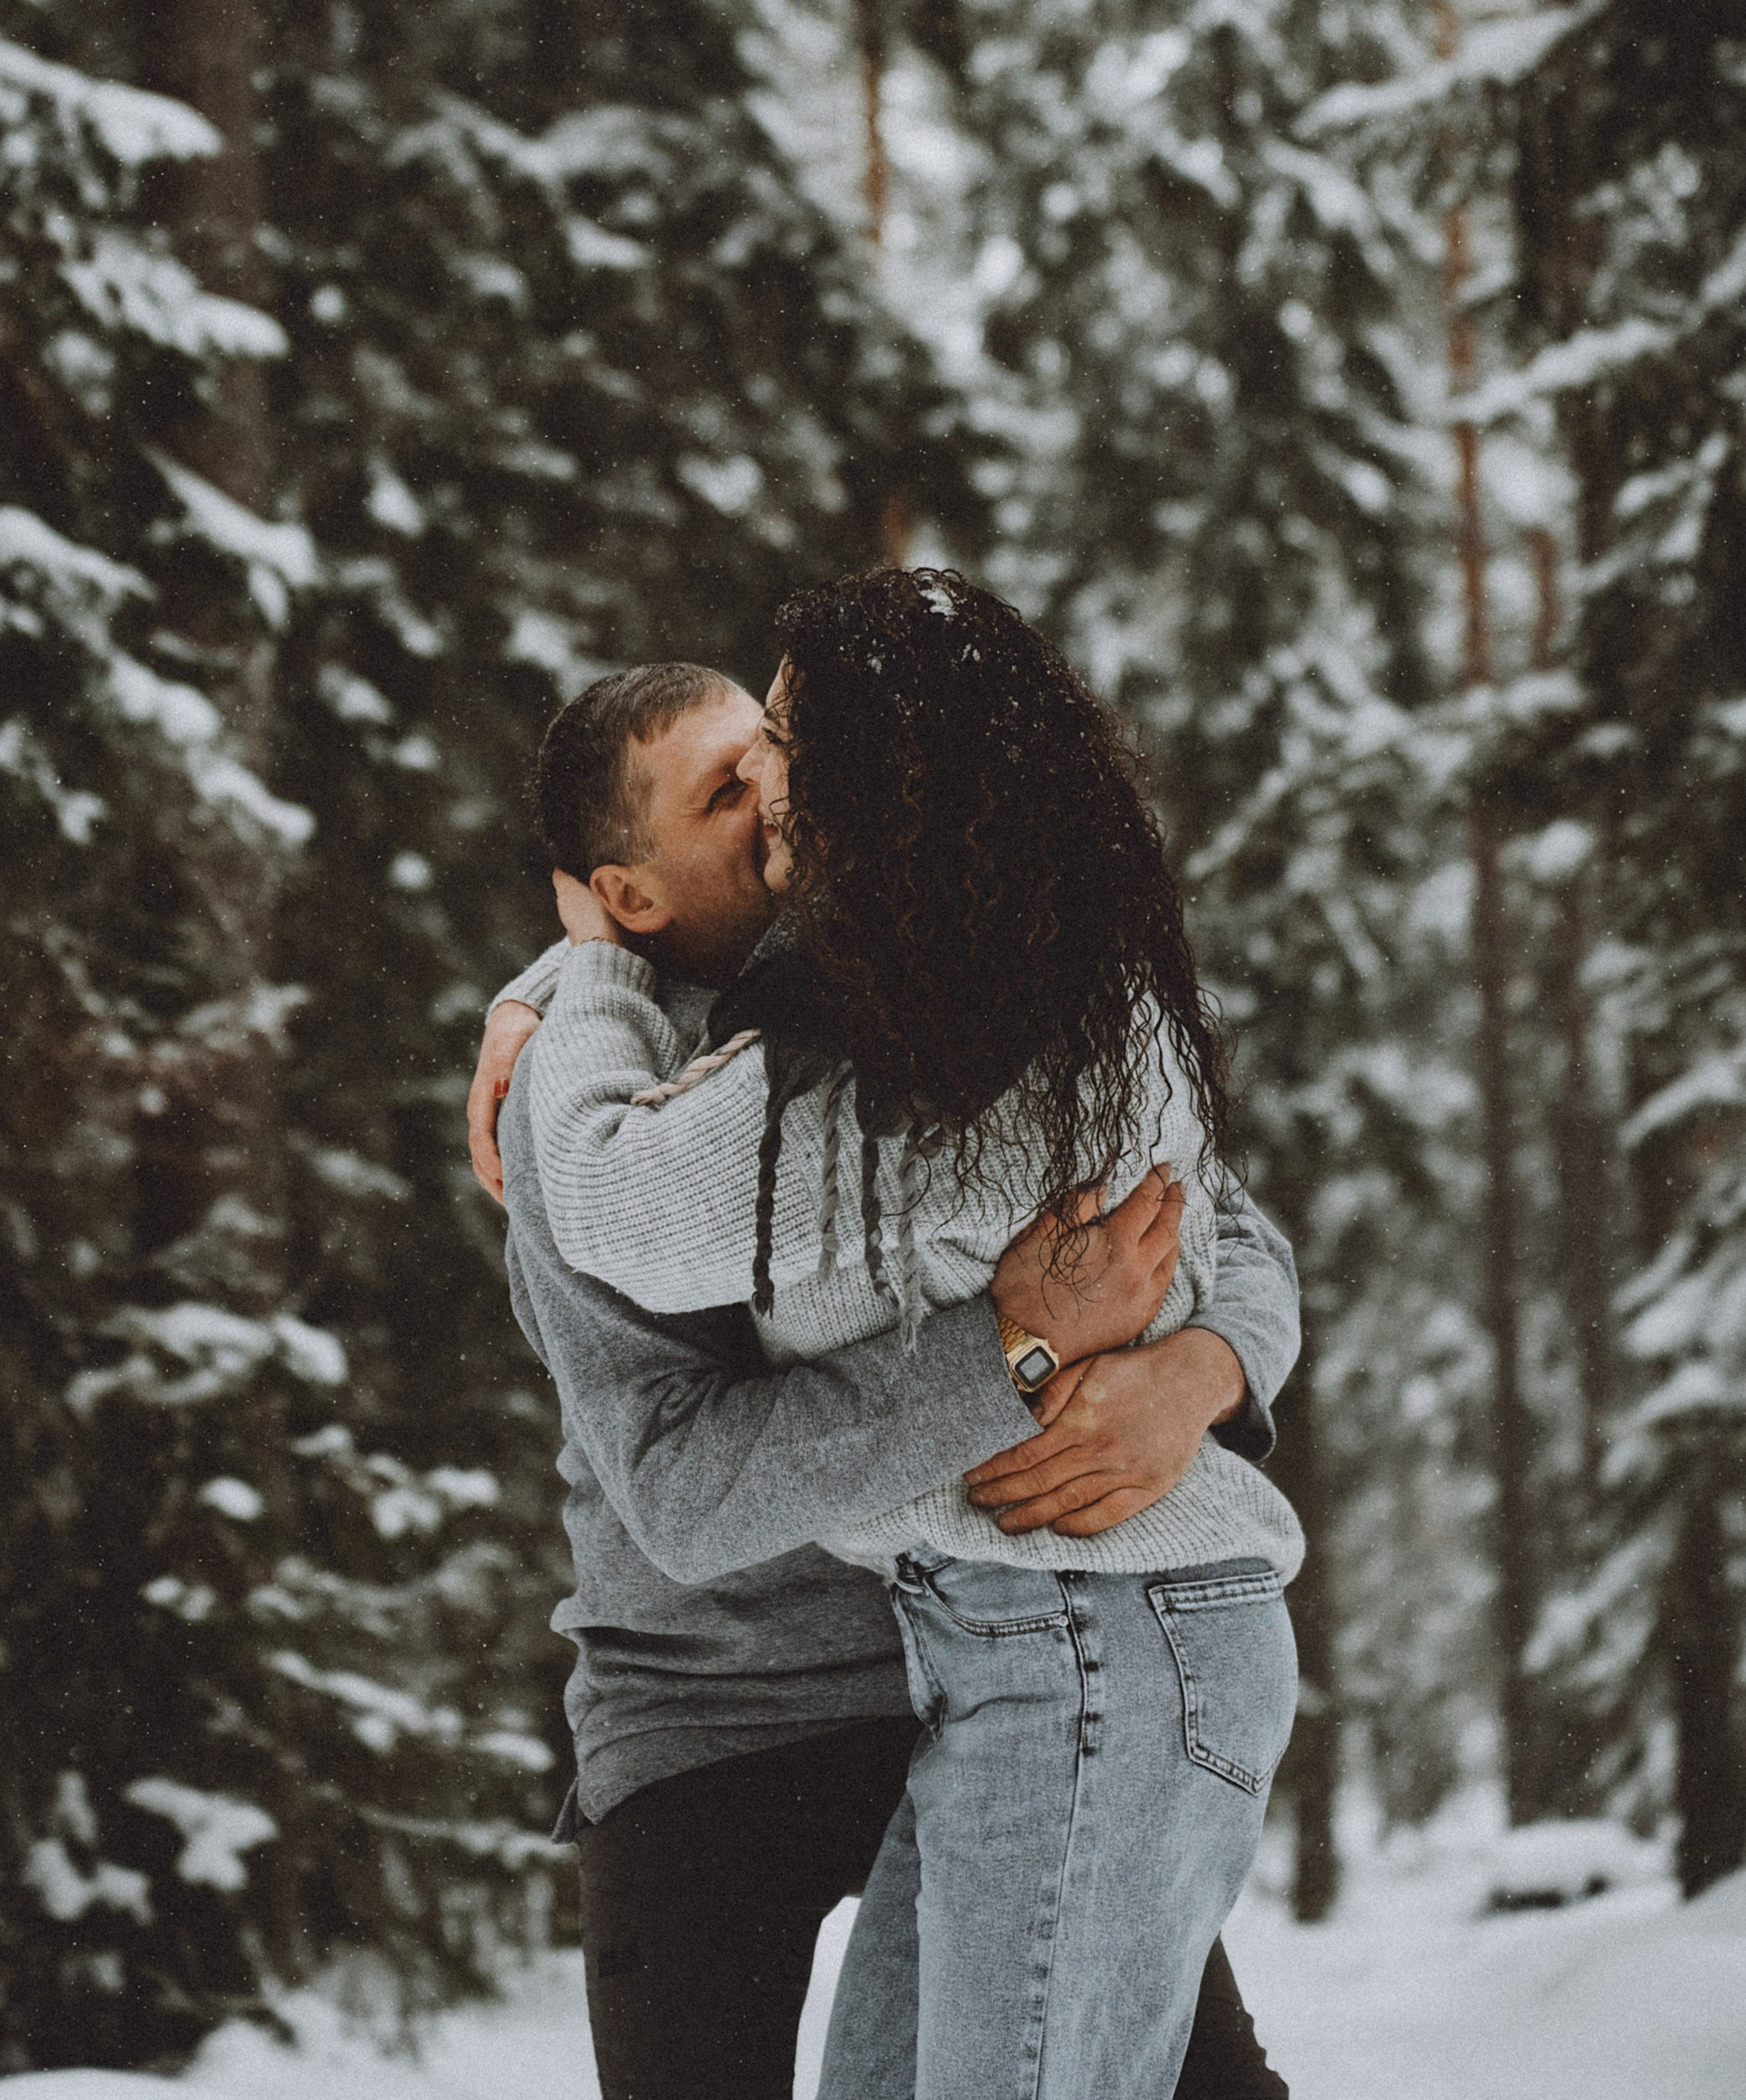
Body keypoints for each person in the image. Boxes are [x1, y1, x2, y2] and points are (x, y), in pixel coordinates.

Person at [468, 652, 1296, 2100]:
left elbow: (1213, 1207)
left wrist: (1208, 1368)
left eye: (768, 750)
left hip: (988, 1654)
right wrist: (1016, 1352)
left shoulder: (917, 965)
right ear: (634, 894)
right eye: (727, 790)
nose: (778, 788)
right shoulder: (581, 1100)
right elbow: (683, 1488)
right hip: (707, 1703)